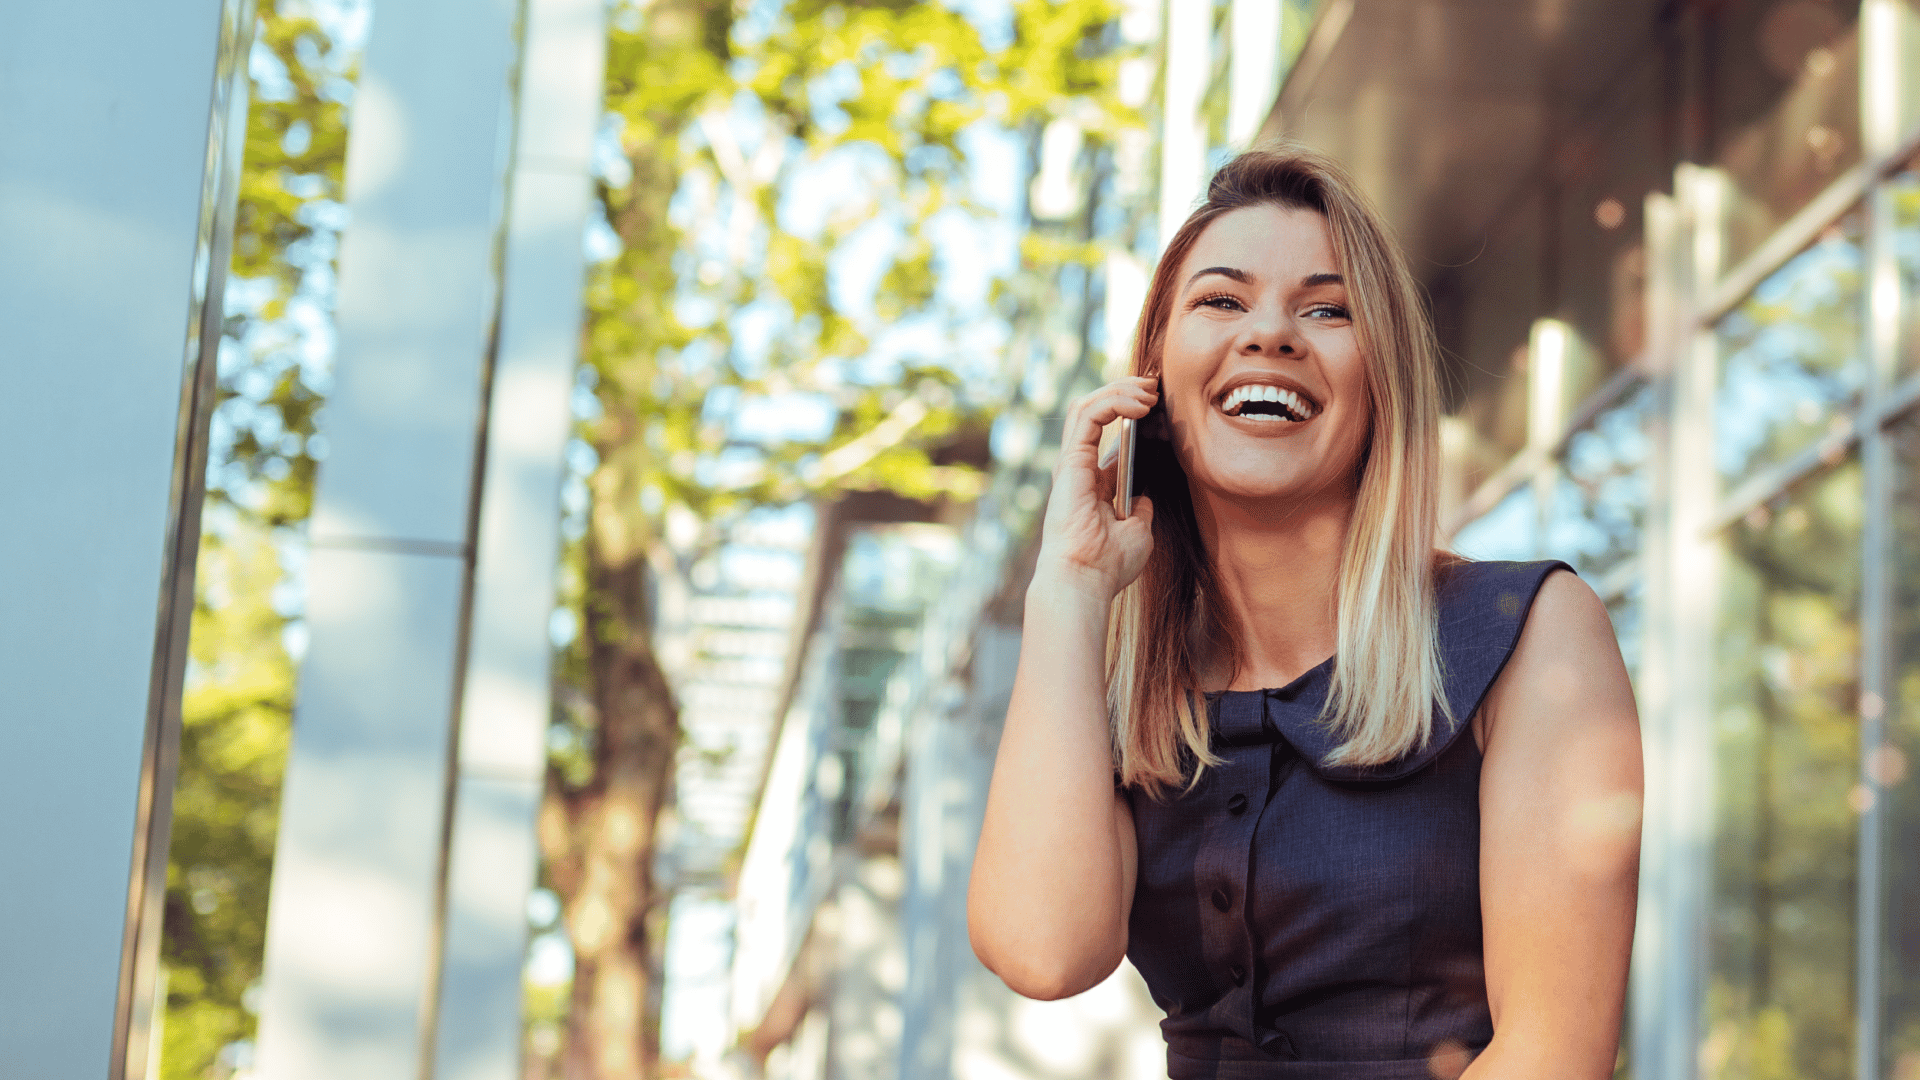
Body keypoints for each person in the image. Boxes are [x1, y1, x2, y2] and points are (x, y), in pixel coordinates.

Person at [965, 144, 1643, 1079]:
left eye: (1327, 310)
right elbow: (1043, 953)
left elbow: (1554, 1054)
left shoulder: (1529, 632)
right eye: (1221, 300)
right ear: (1153, 376)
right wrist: (1068, 587)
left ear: (1382, 385)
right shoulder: (1129, 688)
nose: (1271, 334)